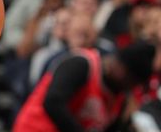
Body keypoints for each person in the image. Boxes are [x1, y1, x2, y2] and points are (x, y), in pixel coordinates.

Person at [13, 42, 156, 132]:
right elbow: (52, 102)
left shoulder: (119, 98)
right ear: (122, 69)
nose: (131, 89)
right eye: (132, 82)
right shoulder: (82, 64)